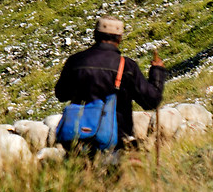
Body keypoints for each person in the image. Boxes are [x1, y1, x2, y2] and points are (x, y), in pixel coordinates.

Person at [55, 15, 166, 149]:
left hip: (77, 137)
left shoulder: (75, 61)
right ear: (119, 38)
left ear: (95, 35)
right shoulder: (127, 66)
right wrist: (157, 72)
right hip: (115, 139)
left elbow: (61, 94)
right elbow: (151, 101)